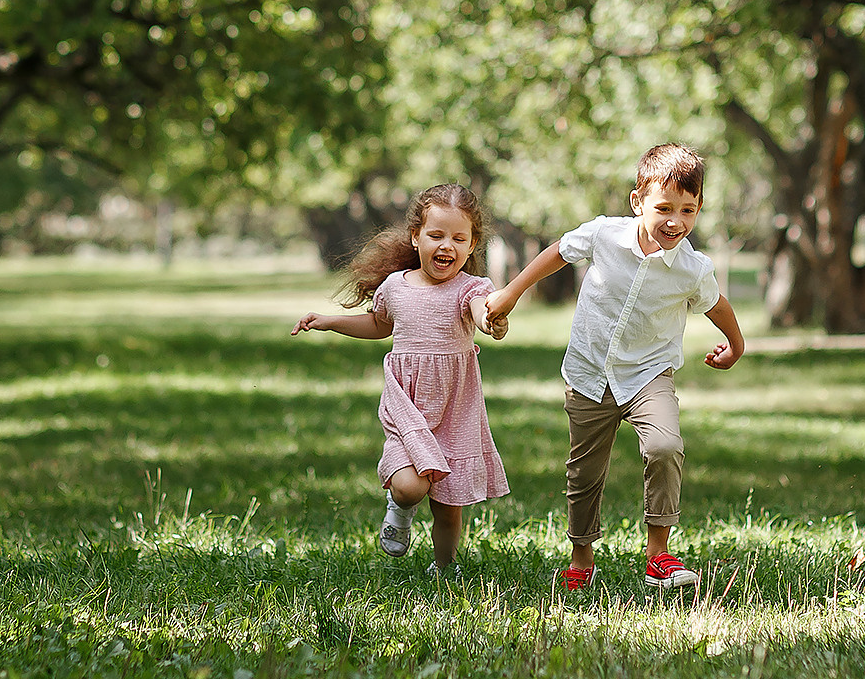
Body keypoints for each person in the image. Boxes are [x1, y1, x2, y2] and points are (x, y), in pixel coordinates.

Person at [480, 143, 745, 592]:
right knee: (584, 472)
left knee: (665, 446)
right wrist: (510, 294)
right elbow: (559, 252)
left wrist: (736, 345)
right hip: (589, 372)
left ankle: (658, 556)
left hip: (648, 374)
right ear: (637, 201)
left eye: (689, 210)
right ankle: (581, 557)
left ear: (699, 209)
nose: (675, 221)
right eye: (664, 207)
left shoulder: (693, 268)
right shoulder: (604, 235)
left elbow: (716, 305)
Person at [292, 183, 509, 573]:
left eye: (459, 238)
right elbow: (379, 324)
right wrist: (329, 322)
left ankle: (444, 569)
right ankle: (400, 509)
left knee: (448, 506)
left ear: (473, 244)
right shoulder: (396, 287)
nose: (447, 246)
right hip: (408, 405)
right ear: (416, 236)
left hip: (454, 410)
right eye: (436, 235)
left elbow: (480, 309)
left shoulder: (470, 288)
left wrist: (490, 319)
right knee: (410, 486)